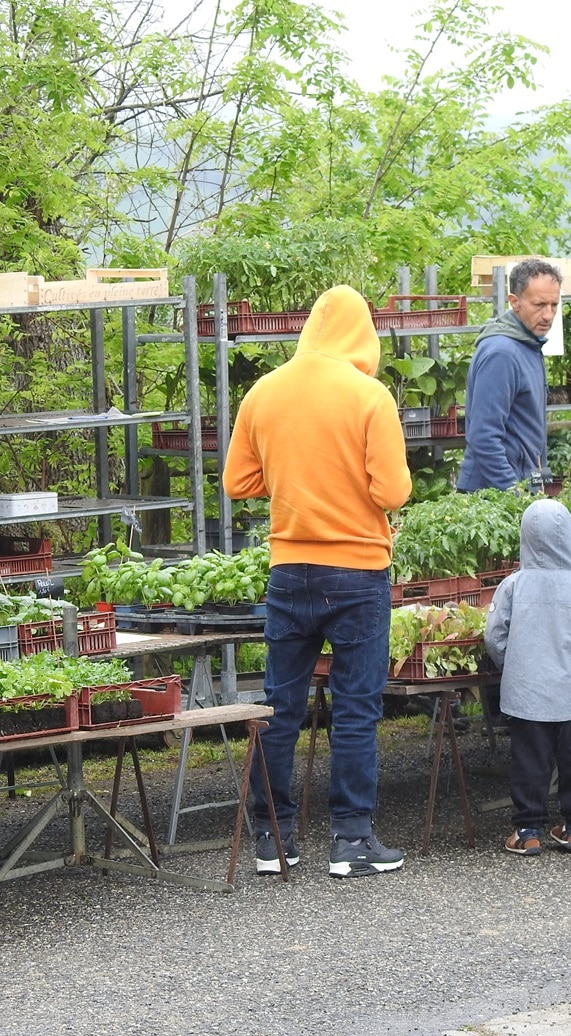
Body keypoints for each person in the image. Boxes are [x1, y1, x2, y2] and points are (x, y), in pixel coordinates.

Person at [223, 285, 413, 878]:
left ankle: (270, 840)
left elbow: (237, 481)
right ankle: (351, 842)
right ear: (362, 336)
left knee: (281, 705)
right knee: (355, 709)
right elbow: (393, 492)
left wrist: (294, 479)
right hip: (358, 572)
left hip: (288, 570)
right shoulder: (369, 396)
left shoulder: (264, 391)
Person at [484, 499, 571, 856]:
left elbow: (494, 637)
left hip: (526, 692)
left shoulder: (512, 586)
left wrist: (511, 663)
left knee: (529, 760)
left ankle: (528, 831)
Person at [456, 258, 562, 492]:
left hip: (521, 485)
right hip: (491, 499)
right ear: (514, 302)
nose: (548, 315)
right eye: (539, 305)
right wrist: (514, 493)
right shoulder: (502, 354)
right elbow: (484, 437)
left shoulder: (528, 344)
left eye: (554, 305)